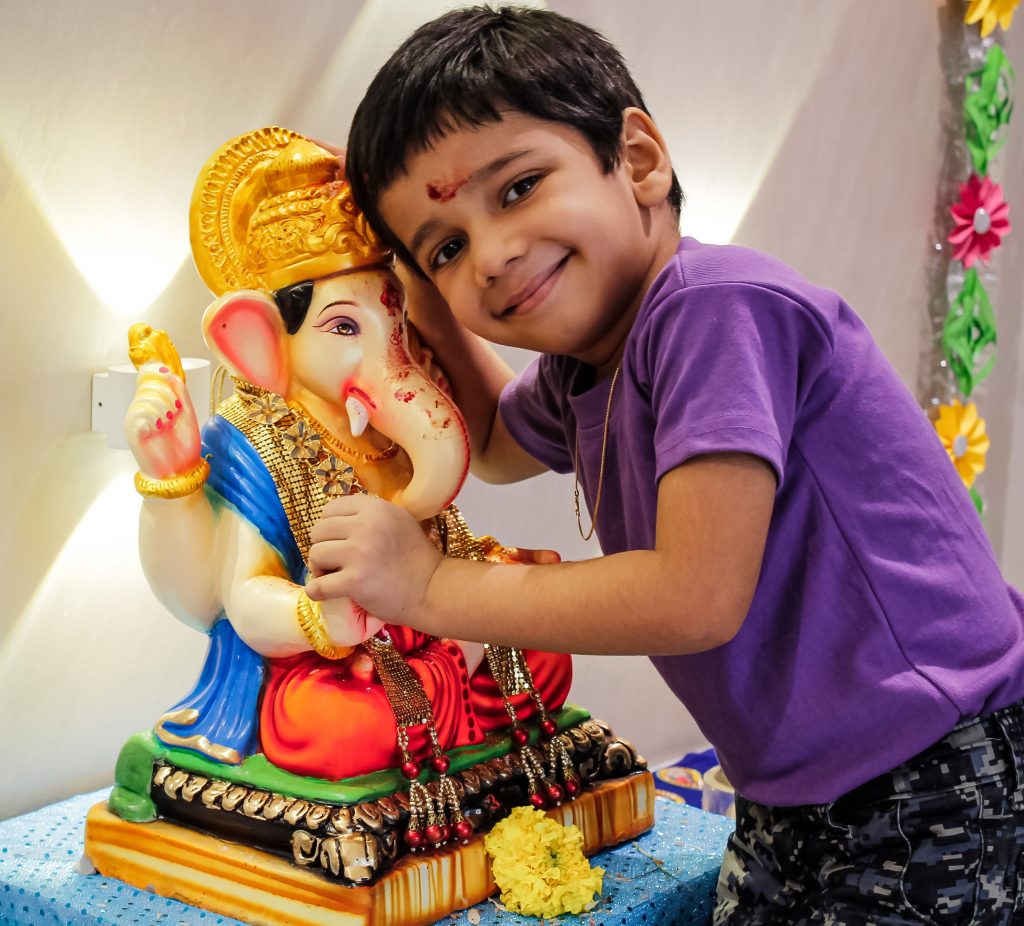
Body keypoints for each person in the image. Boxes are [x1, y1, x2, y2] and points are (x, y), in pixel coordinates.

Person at [306, 6, 1024, 923]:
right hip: (794, 788)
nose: (491, 255)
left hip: (929, 772)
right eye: (448, 247)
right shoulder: (583, 369)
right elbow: (487, 443)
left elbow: (695, 595)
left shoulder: (713, 311)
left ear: (639, 160)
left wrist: (429, 586)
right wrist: (410, 297)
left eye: (518, 188)